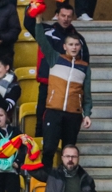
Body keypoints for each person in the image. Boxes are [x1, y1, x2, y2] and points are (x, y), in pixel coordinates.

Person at [23, 3, 88, 138]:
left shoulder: (78, 40)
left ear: (73, 18)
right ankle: (40, 145)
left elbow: (85, 65)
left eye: (69, 16)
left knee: (65, 122)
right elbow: (28, 23)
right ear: (57, 15)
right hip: (47, 83)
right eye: (63, 15)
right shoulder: (45, 31)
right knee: (41, 118)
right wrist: (33, 5)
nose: (65, 19)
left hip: (68, 87)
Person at [33, 24, 92, 169]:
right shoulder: (55, 58)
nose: (74, 47)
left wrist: (87, 114)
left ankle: (66, 178)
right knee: (49, 148)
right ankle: (46, 178)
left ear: (80, 47)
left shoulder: (85, 67)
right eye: (71, 44)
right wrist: (38, 21)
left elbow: (87, 93)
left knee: (69, 152)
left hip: (73, 114)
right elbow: (41, 39)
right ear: (64, 46)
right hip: (54, 111)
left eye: (76, 44)